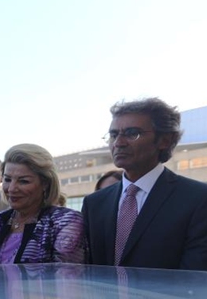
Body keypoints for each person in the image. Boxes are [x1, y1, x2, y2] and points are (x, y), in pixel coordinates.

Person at [82, 98, 207, 269]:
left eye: (132, 133)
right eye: (113, 135)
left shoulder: (197, 199)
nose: (119, 143)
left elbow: (195, 274)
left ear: (165, 140)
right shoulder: (94, 203)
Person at [0, 144, 87, 264]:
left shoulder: (64, 222)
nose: (12, 189)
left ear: (45, 183)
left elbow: (67, 273)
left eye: (23, 181)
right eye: (7, 180)